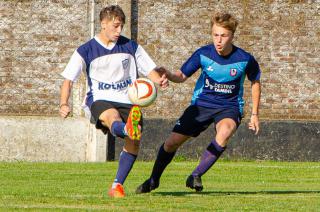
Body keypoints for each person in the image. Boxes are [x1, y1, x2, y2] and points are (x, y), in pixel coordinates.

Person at [136, 12, 261, 194]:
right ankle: (154, 180)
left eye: (223, 36)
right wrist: (168, 74)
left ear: (232, 36)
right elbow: (181, 76)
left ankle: (195, 175)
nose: (219, 40)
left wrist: (255, 114)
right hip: (201, 105)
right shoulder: (203, 54)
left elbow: (255, 82)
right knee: (171, 143)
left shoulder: (245, 59)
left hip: (229, 107)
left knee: (225, 132)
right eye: (215, 35)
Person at [59, 5, 168, 198]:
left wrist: (158, 80)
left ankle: (117, 185)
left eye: (121, 27)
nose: (119, 31)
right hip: (100, 99)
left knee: (134, 141)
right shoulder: (86, 50)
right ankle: (126, 128)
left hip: (129, 99)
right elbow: (68, 80)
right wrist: (64, 103)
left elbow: (150, 69)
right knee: (113, 117)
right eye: (116, 26)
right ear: (103, 24)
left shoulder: (131, 46)